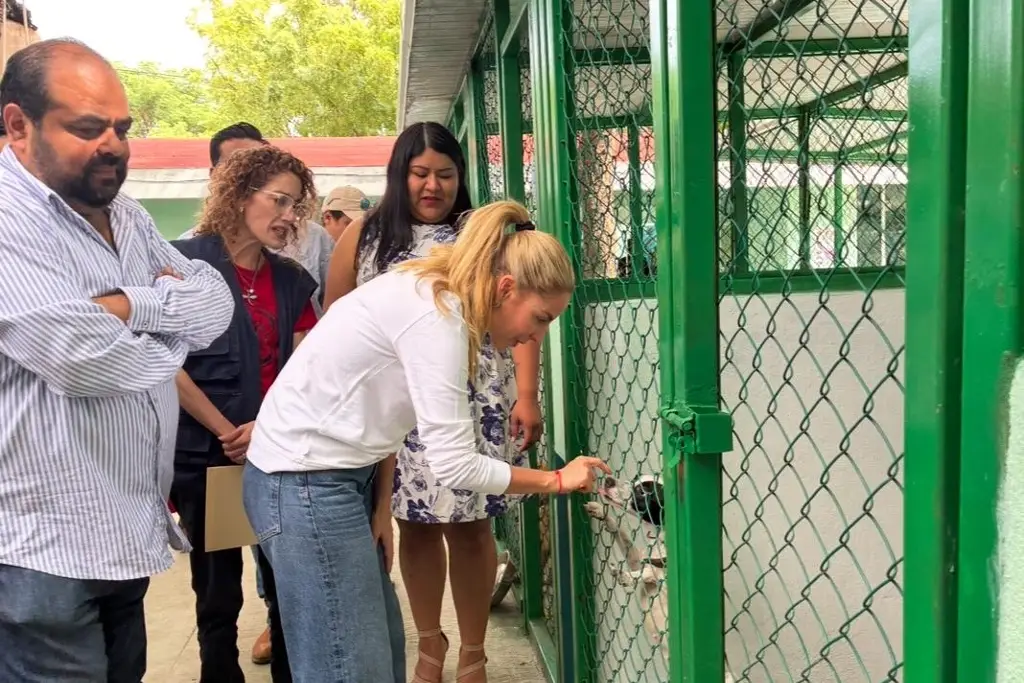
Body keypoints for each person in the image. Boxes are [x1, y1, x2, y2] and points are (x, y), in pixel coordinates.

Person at [243, 198, 610, 683]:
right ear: (505, 288)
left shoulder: (435, 292)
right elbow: (455, 465)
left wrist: (379, 505)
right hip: (305, 479)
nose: (535, 335)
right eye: (541, 318)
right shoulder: (440, 317)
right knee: (350, 666)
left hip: (330, 474)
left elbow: (383, 414)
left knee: (380, 652)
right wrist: (557, 480)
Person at [0, 39, 234, 682]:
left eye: (122, 128)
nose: (114, 146)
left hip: (124, 532)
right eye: (86, 128)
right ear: (18, 125)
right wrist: (171, 316)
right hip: (42, 551)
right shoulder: (9, 220)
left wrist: (129, 305)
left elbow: (216, 304)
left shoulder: (125, 214)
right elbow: (85, 359)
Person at [323, 121, 544, 683]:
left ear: (460, 176)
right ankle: (429, 644)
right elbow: (335, 320)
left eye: (445, 174)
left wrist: (527, 394)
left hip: (474, 399)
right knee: (414, 525)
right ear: (398, 174)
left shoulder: (483, 233)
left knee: (472, 527)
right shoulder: (366, 234)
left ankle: (473, 651)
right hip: (397, 407)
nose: (432, 186)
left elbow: (523, 313)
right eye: (420, 173)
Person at [180, 122, 333, 665]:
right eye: (280, 201)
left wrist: (265, 427)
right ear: (241, 195)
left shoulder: (292, 280)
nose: (290, 216)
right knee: (216, 592)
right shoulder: (183, 264)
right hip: (207, 454)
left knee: (286, 583)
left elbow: (307, 367)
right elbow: (166, 364)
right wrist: (228, 432)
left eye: (297, 205)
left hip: (278, 452)